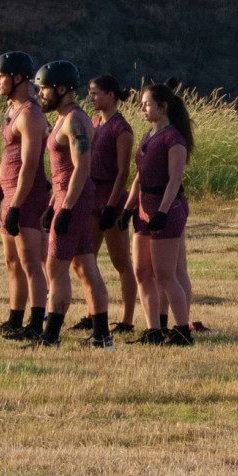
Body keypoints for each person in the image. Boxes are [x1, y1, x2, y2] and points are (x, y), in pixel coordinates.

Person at [30, 61, 111, 348]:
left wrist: (66, 207)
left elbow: (81, 167)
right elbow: (62, 172)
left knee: (55, 267)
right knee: (85, 266)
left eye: (44, 89)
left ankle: (50, 336)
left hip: (74, 198)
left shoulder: (75, 120)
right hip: (67, 196)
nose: (40, 94)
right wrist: (55, 203)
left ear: (61, 88)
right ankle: (102, 336)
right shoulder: (66, 118)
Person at [123, 81, 195, 346]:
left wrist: (163, 213)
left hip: (167, 209)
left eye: (147, 104)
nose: (142, 108)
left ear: (162, 107)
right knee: (142, 272)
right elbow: (139, 178)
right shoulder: (148, 136)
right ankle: (153, 330)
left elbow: (175, 180)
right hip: (144, 210)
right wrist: (127, 208)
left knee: (166, 275)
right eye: (141, 104)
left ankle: (182, 331)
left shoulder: (173, 138)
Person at [0, 51, 52, 343]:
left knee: (30, 263)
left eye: (0, 76)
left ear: (17, 78)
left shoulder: (30, 114)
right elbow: (7, 159)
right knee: (12, 261)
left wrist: (15, 204)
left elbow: (29, 164)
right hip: (11, 193)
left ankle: (36, 322)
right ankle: (15, 317)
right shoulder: (11, 110)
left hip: (27, 195)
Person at [71, 75, 138, 336]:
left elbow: (123, 172)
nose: (92, 97)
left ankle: (127, 319)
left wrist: (112, 206)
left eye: (96, 93)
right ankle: (93, 313)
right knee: (86, 259)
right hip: (91, 197)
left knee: (121, 262)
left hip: (112, 199)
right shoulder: (94, 123)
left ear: (111, 95)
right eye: (90, 92)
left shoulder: (121, 128)